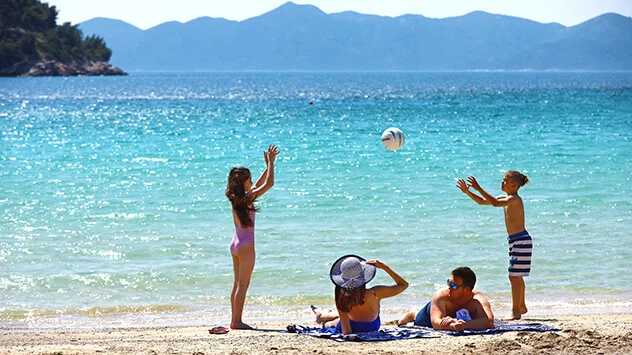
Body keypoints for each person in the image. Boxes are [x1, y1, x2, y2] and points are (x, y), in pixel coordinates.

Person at [456, 171, 532, 320]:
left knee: (514, 276)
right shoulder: (506, 198)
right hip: (515, 240)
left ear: (514, 185)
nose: (502, 182)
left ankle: (515, 311)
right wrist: (468, 192)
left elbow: (495, 203)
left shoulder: (515, 199)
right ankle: (521, 306)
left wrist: (478, 187)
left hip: (521, 240)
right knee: (516, 276)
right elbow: (484, 202)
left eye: (505, 180)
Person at [225, 144, 279, 330]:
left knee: (237, 284)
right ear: (244, 182)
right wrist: (272, 163)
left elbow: (259, 185)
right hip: (246, 245)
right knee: (243, 285)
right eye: (250, 179)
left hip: (235, 243)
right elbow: (269, 184)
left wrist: (267, 167)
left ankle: (234, 319)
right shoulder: (247, 198)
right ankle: (237, 321)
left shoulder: (238, 197)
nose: (252, 181)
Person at [311, 255, 408, 334]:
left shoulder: (342, 298)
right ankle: (321, 315)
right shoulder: (376, 293)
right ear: (363, 275)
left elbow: (347, 332)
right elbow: (404, 285)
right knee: (340, 316)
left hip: (353, 327)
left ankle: (320, 315)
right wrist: (384, 267)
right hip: (373, 327)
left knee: (330, 324)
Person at [399, 267, 494, 331]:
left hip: (454, 318)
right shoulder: (441, 296)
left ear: (467, 289)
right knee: (418, 318)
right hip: (427, 316)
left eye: (454, 286)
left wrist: (463, 324)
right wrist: (454, 326)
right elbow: (436, 323)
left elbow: (489, 322)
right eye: (449, 283)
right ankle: (412, 313)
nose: (449, 287)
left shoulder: (477, 299)